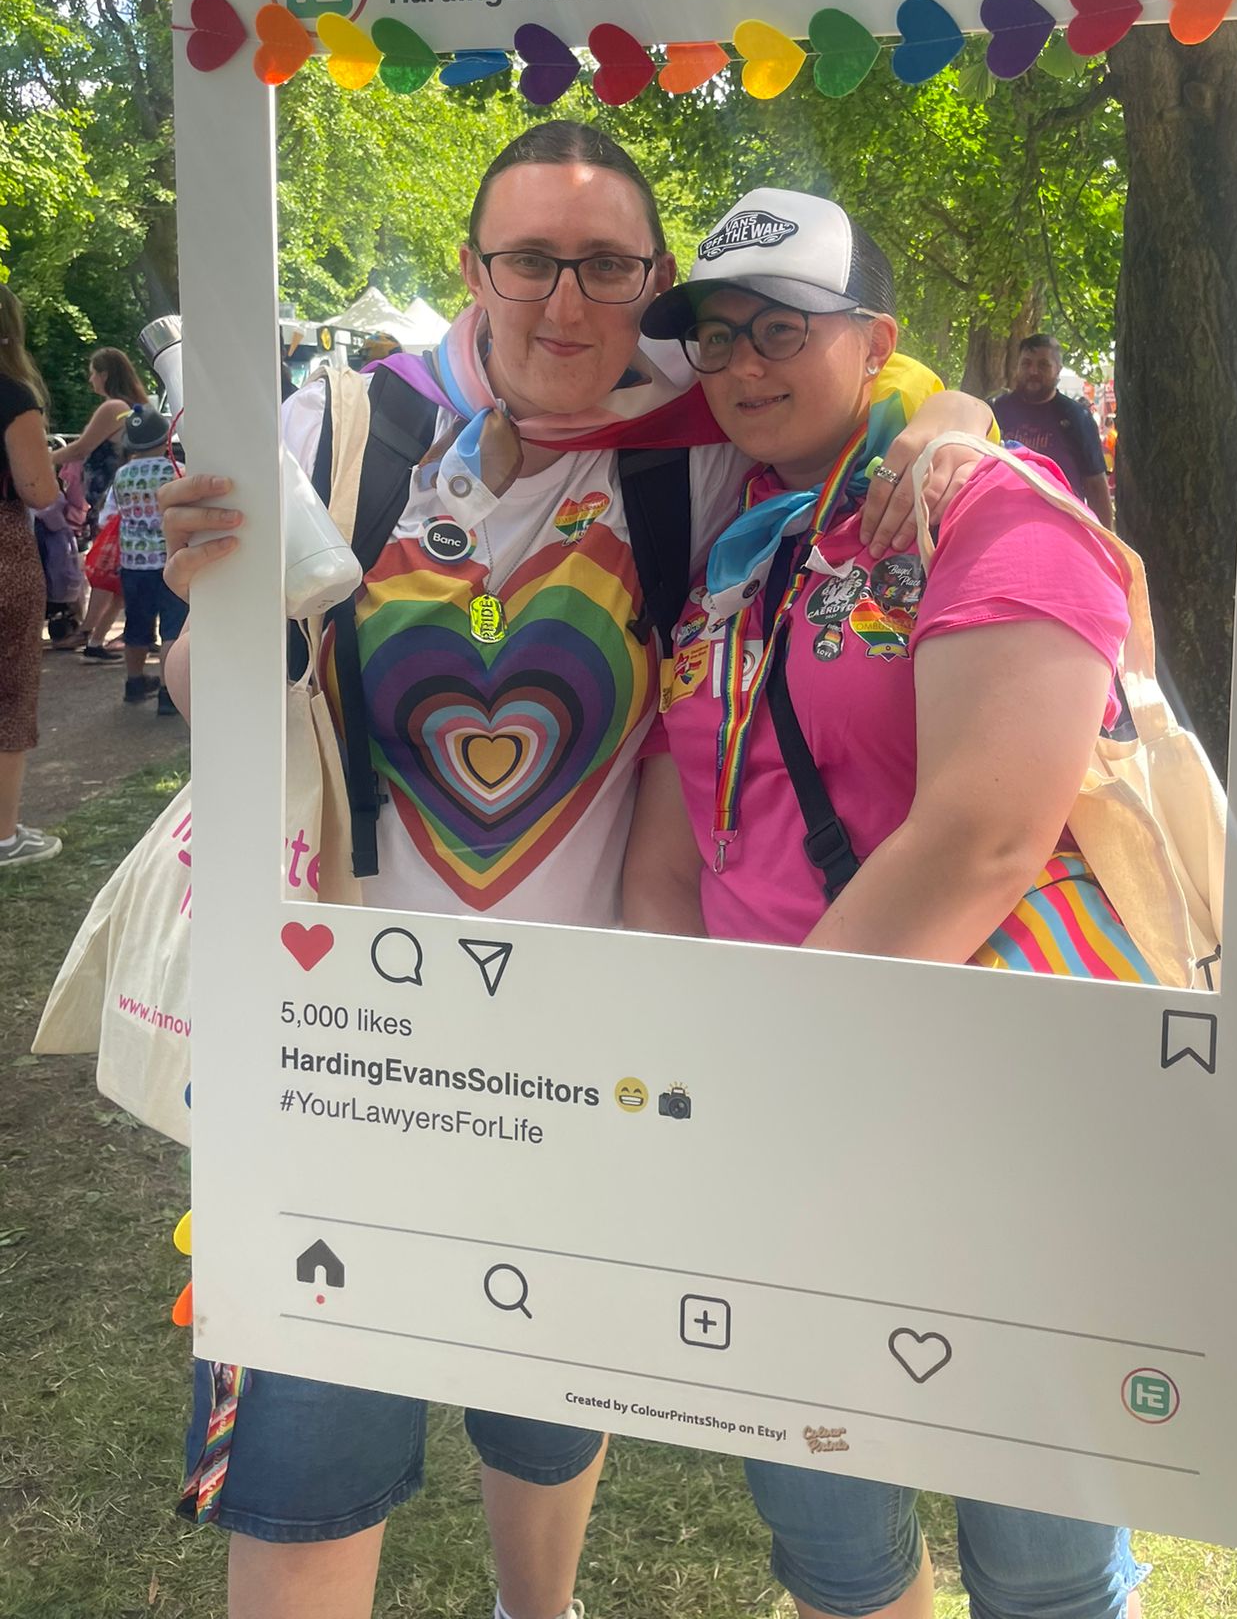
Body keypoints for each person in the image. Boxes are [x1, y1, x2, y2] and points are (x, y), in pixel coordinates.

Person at [159, 124, 990, 1619]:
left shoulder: (701, 439)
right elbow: (210, 692)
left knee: (544, 1409)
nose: (565, 300)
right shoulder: (344, 428)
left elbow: (875, 389)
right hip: (343, 1043)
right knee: (309, 1455)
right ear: (472, 268)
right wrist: (209, 602)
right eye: (530, 259)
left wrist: (957, 416)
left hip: (576, 1058)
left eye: (607, 266)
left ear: (653, 281)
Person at [624, 192, 1144, 1619]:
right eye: (718, 335)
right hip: (774, 1139)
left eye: (784, 327)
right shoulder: (734, 555)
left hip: (984, 1121)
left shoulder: (988, 505)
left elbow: (985, 834)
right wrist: (687, 1068)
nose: (744, 363)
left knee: (1041, 1565)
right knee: (834, 1544)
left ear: (877, 341)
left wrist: (775, 1060)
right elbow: (676, 843)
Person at [0, 286, 65, 869]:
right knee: (11, 689)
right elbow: (38, 490)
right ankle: (4, 835)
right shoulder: (11, 394)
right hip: (4, 551)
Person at [52, 345, 151, 660]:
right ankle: (104, 635)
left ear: (106, 374)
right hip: (126, 497)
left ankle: (88, 633)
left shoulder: (113, 408)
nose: (90, 379)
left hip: (108, 498)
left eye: (93, 372)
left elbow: (81, 448)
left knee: (105, 569)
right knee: (120, 568)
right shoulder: (135, 407)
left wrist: (40, 460)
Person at [990, 335, 1113, 526]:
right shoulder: (996, 411)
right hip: (1003, 524)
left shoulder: (1077, 417)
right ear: (1017, 367)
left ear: (1058, 370)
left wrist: (1105, 539)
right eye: (1026, 364)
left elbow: (1096, 485)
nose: (1033, 371)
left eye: (1043, 365)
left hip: (1062, 527)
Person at [111, 407, 187, 713]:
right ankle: (168, 694)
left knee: (137, 625)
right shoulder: (176, 470)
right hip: (170, 561)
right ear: (164, 438)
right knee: (172, 627)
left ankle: (134, 682)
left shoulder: (122, 474)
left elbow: (111, 512)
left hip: (133, 563)